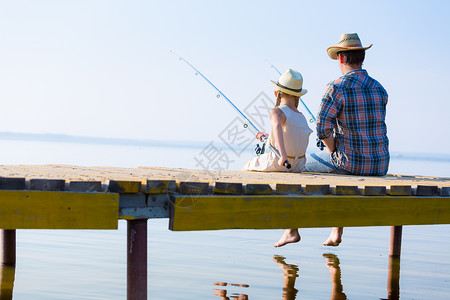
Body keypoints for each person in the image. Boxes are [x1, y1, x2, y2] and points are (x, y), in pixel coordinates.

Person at [303, 33, 390, 246]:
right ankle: (336, 231)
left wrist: (332, 150)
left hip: (350, 164)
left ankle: (292, 229)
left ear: (341, 58)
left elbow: (322, 128)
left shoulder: (337, 86)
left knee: (300, 164)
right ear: (362, 57)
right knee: (340, 166)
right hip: (380, 165)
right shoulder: (379, 88)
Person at [242, 69, 312, 173]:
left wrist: (283, 156)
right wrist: (269, 137)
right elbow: (289, 135)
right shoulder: (302, 117)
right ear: (298, 96)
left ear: (276, 93)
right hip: (298, 165)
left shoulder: (277, 111)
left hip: (280, 162)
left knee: (247, 165)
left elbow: (277, 126)